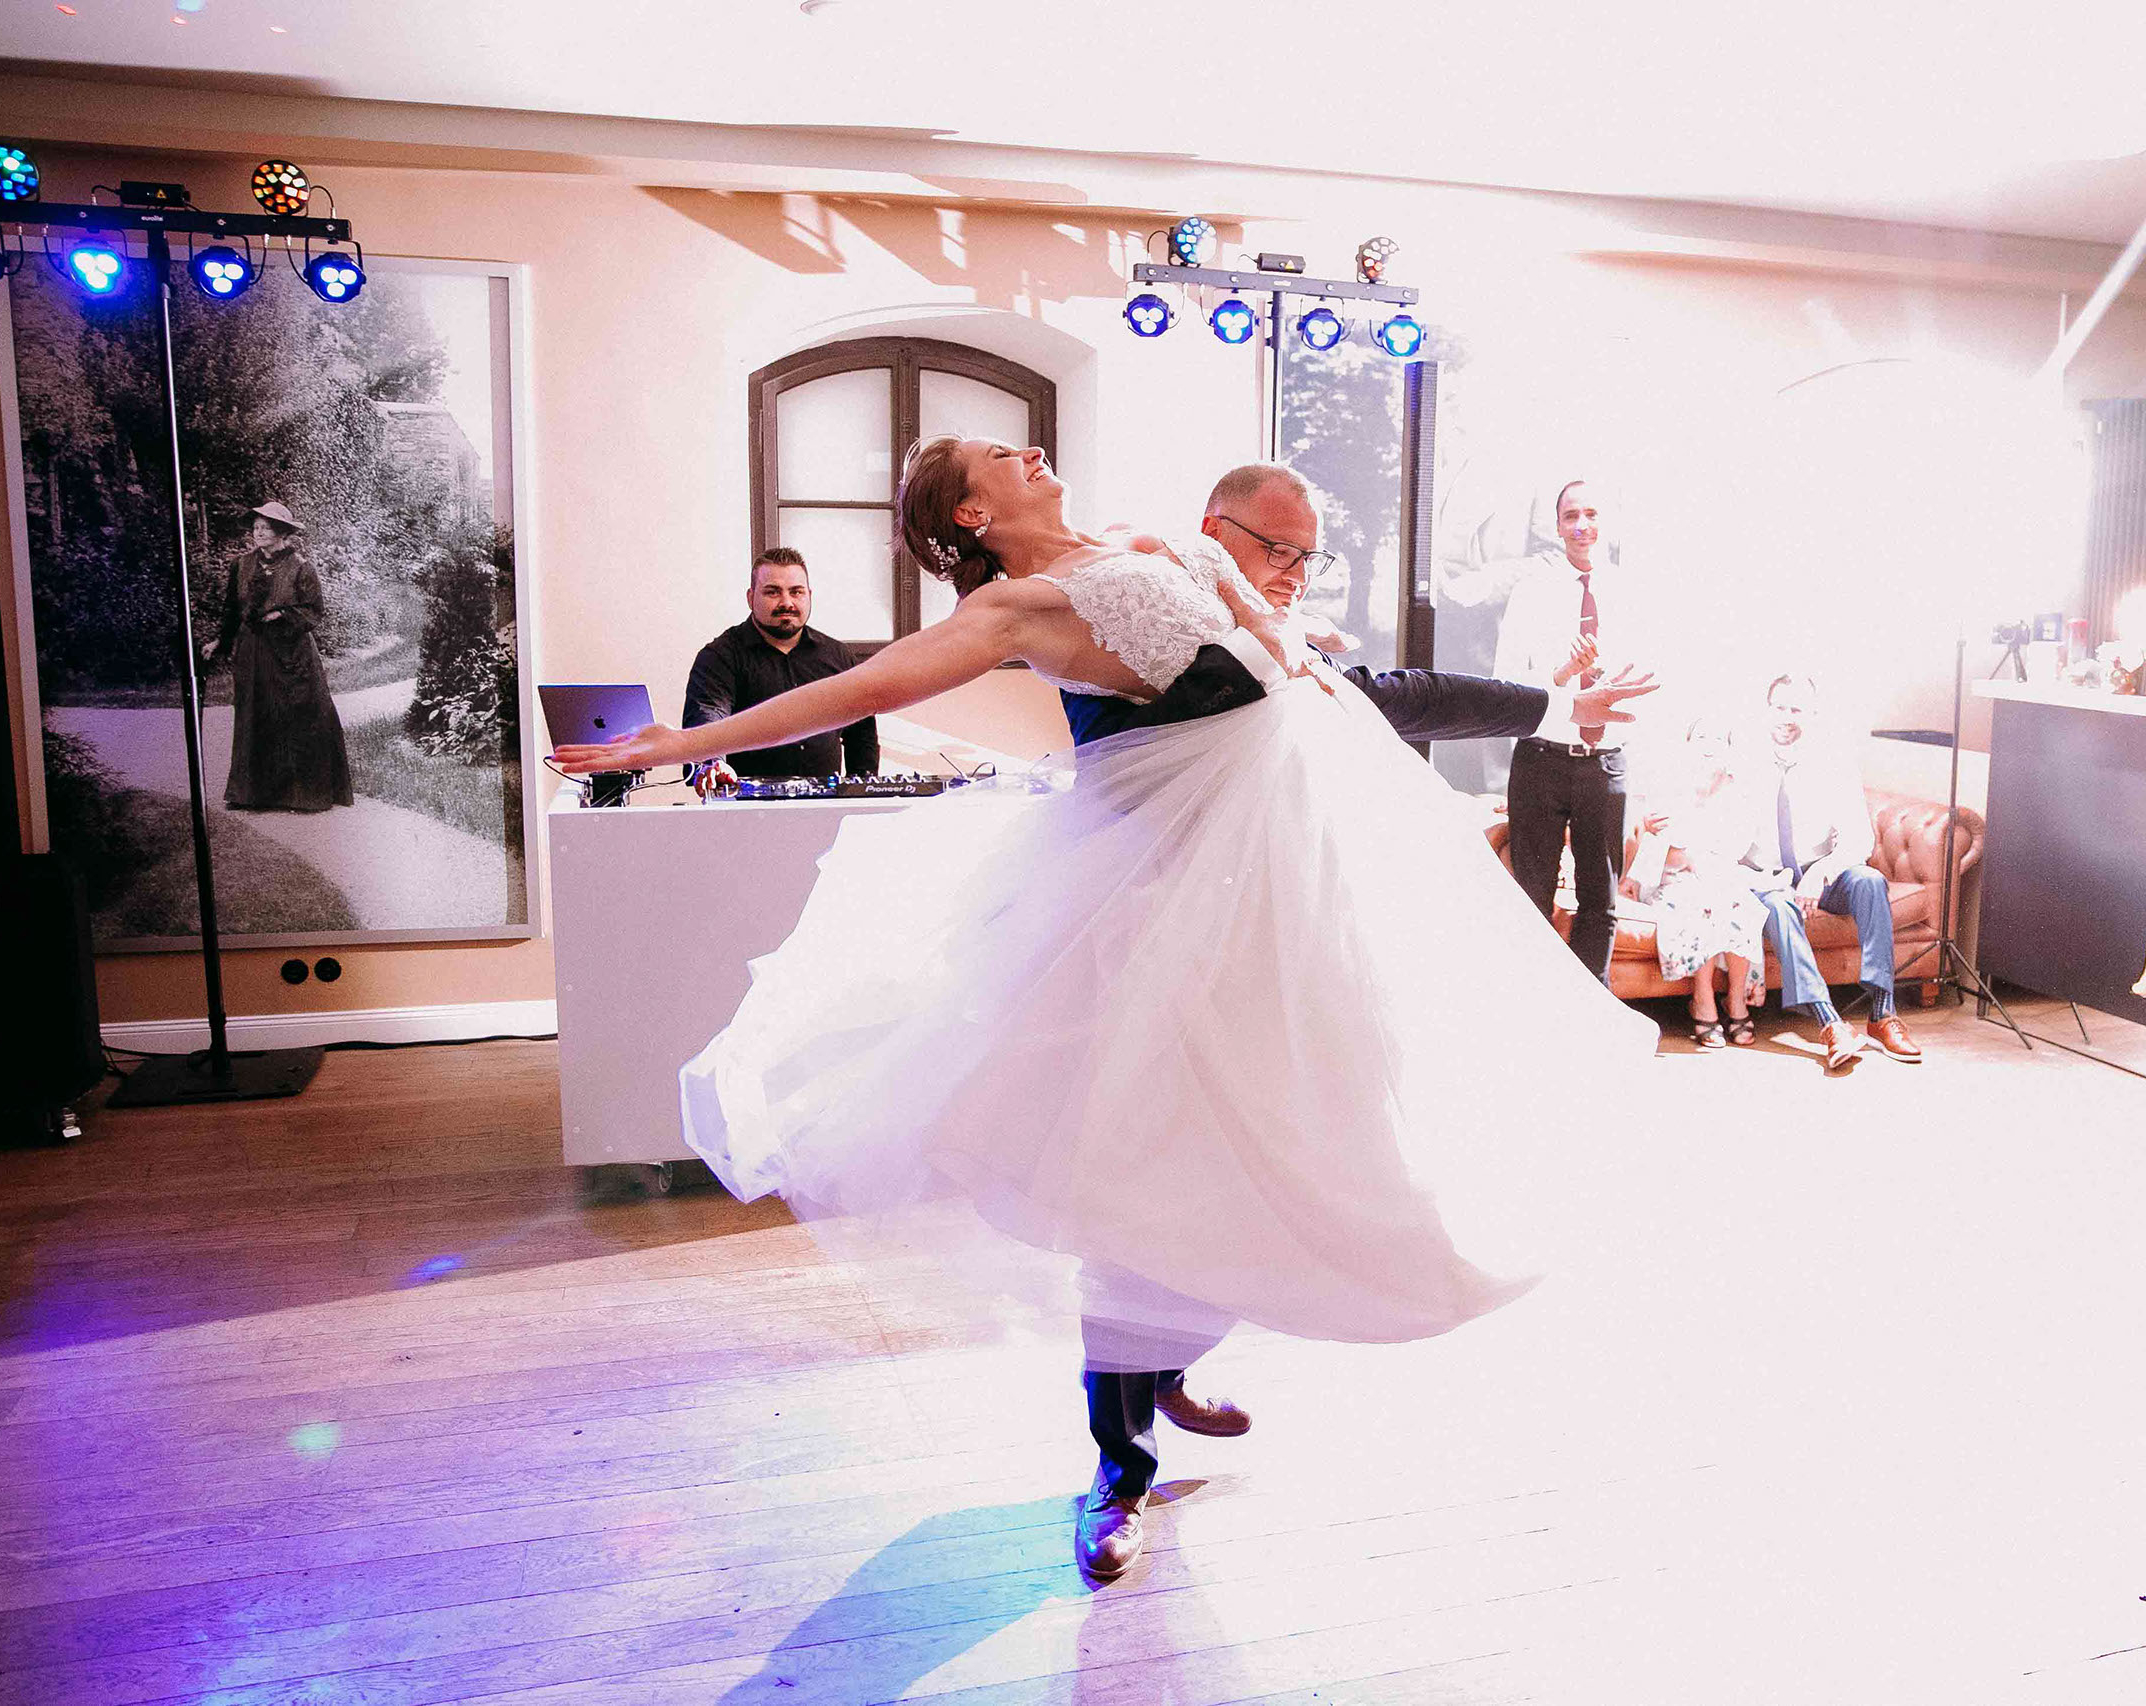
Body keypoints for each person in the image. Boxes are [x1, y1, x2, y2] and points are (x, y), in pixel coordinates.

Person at [554, 435, 1656, 1580]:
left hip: (1290, 890)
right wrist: (683, 740)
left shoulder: (1143, 543)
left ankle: (1168, 1346)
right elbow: (857, 688)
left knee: (1292, 1140)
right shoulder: (1020, 608)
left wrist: (1545, 703)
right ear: (971, 513)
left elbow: (1326, 683)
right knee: (1143, 1167)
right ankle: (1116, 1463)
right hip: (1166, 912)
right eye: (999, 455)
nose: (1032, 447)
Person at [1065, 462, 1652, 751]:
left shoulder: (1286, 637)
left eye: (1307, 559)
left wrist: (1559, 707)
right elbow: (1121, 751)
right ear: (1210, 532)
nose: (1296, 577)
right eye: (1277, 551)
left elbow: (1404, 694)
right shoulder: (1139, 610)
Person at [1491, 480, 1648, 985]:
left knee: (1600, 900)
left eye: (1591, 514)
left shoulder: (1629, 593)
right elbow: (1505, 683)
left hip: (1606, 762)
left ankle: (1592, 1020)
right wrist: (1561, 676)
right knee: (1531, 899)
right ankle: (1535, 1014)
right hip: (1541, 760)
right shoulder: (1532, 593)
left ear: (1607, 522)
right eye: (1570, 516)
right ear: (1556, 526)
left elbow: (1649, 676)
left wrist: (1611, 683)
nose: (1581, 526)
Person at [1737, 673, 1918, 1074]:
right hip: (1764, 879)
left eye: (1797, 709)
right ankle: (1830, 1023)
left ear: (1814, 715)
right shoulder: (1742, 763)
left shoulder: (1833, 764)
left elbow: (1859, 839)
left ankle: (1882, 1013)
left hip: (1819, 871)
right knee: (1780, 908)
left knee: (1870, 881)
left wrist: (1820, 871)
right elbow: (1725, 835)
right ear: (1766, 711)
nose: (1787, 717)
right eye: (1779, 707)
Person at [682, 547, 878, 794]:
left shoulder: (838, 656)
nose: (786, 603)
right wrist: (713, 763)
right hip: (745, 812)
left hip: (826, 810)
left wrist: (862, 793)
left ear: (809, 595)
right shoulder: (720, 656)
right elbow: (708, 713)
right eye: (772, 592)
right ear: (750, 597)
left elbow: (862, 736)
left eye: (796, 592)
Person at [1623, 716, 1766, 1048]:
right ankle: (1702, 1000)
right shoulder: (1668, 787)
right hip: (1668, 879)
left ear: (1729, 749)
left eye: (1719, 739)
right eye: (1701, 736)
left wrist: (1700, 852)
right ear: (1687, 743)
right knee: (1704, 899)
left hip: (1717, 877)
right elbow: (1669, 855)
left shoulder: (1738, 793)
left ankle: (1736, 1001)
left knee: (1741, 905)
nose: (1709, 746)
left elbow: (1735, 849)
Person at [205, 501, 353, 813]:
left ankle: (302, 795)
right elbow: (231, 609)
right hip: (252, 652)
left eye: (265, 527)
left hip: (291, 654)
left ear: (282, 532)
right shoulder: (242, 565)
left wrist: (282, 614)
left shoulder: (301, 566)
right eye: (256, 527)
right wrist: (220, 639)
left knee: (297, 715)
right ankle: (249, 794)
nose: (258, 532)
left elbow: (314, 612)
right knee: (253, 715)